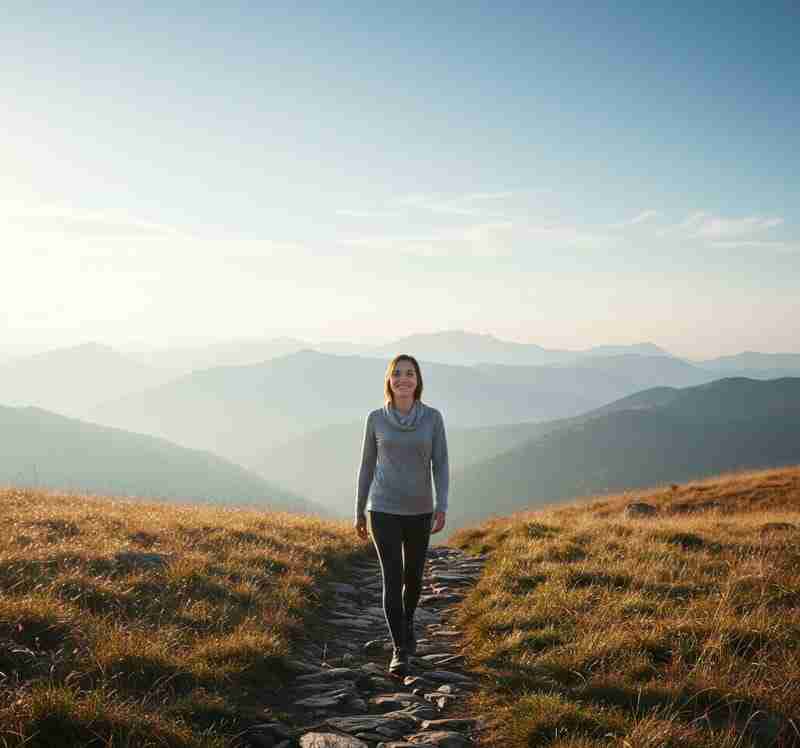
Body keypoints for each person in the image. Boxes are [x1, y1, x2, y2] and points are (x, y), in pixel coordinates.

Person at [354, 353, 449, 676]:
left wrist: (442, 505)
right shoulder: (375, 419)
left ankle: (408, 623)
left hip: (420, 510)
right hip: (382, 509)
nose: (404, 379)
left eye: (410, 373)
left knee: (414, 578)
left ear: (418, 380)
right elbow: (366, 466)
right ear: (389, 380)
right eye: (398, 374)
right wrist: (358, 510)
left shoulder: (433, 418)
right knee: (392, 579)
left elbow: (442, 464)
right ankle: (399, 648)